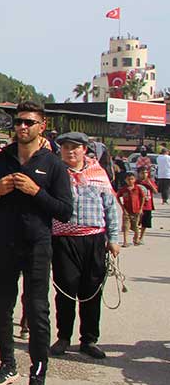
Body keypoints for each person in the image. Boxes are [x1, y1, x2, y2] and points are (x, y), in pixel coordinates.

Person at [0, 101, 73, 385]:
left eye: (29, 122)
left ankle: (38, 377)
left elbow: (65, 211)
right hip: (2, 242)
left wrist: (36, 192)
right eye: (18, 122)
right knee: (2, 307)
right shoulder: (2, 160)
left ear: (42, 126)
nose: (22, 127)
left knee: (38, 310)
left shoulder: (53, 164)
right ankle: (7, 365)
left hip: (37, 245)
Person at [50, 132, 121, 361]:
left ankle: (89, 339)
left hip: (94, 240)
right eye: (65, 147)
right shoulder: (56, 173)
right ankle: (63, 337)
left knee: (91, 290)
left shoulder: (98, 174)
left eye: (75, 147)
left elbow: (110, 208)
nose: (70, 151)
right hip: (63, 239)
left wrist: (114, 238)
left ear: (84, 150)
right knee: (65, 288)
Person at [116, 172, 149, 246]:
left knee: (136, 227)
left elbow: (143, 197)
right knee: (126, 227)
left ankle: (136, 239)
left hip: (136, 210)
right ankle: (125, 241)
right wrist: (122, 206)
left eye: (132, 179)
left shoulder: (137, 188)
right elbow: (117, 196)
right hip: (127, 211)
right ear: (125, 180)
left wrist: (141, 208)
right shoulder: (124, 189)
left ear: (134, 180)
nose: (130, 181)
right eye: (128, 179)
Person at [136, 168, 157, 238]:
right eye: (142, 173)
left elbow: (155, 192)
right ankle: (136, 236)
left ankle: (141, 237)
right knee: (136, 222)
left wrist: (150, 184)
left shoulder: (150, 182)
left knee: (145, 223)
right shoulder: (136, 182)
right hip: (138, 205)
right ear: (138, 174)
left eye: (146, 173)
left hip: (147, 205)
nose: (144, 174)